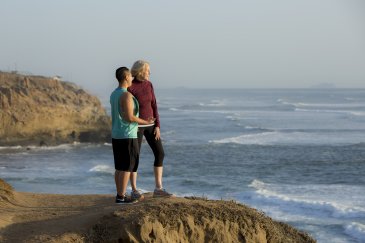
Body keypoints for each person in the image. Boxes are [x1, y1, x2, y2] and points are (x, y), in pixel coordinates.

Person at [128, 60, 173, 198]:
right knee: (134, 157)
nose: (150, 73)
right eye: (148, 70)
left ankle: (158, 188)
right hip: (137, 127)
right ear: (141, 71)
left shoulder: (149, 85)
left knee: (160, 153)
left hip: (151, 126)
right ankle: (134, 190)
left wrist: (158, 126)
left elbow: (154, 105)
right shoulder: (130, 87)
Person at [110, 67, 155, 204]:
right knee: (127, 167)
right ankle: (121, 197)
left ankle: (119, 195)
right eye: (130, 76)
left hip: (117, 134)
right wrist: (146, 121)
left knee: (119, 167)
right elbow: (129, 117)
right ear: (125, 77)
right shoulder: (126, 95)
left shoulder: (114, 93)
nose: (132, 78)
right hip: (127, 134)